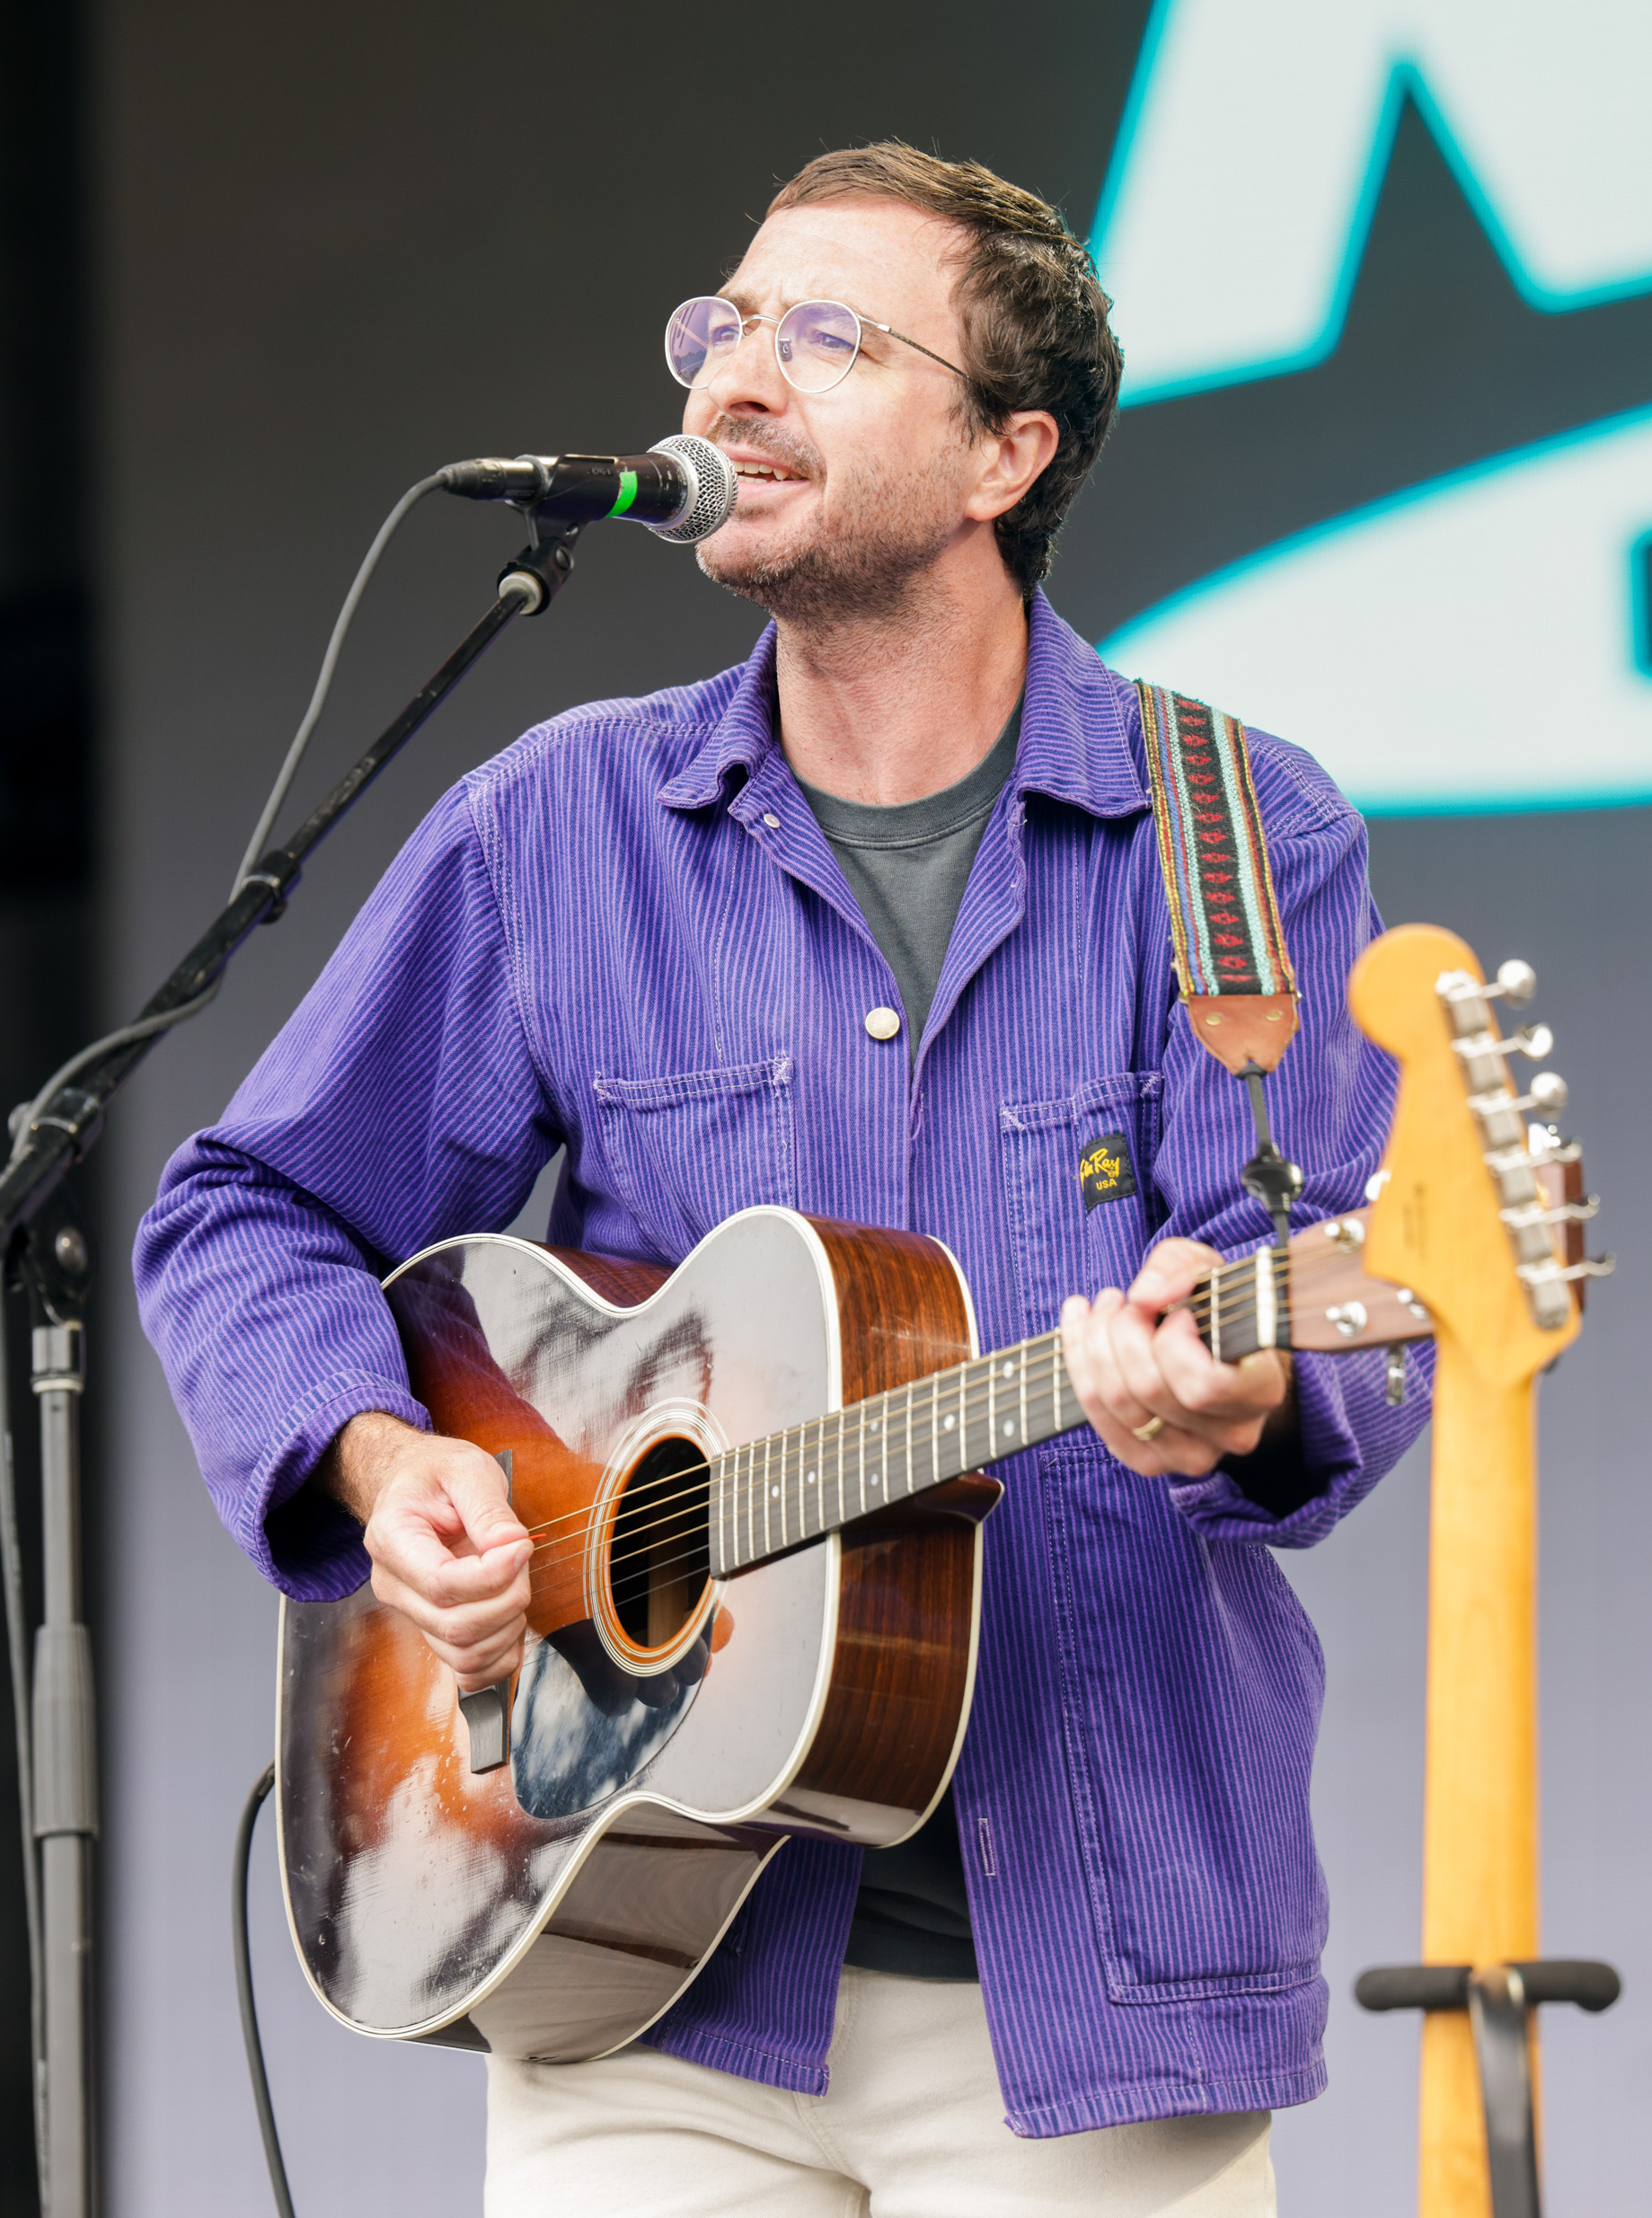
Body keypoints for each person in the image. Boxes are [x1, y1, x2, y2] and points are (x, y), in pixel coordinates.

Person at [137, 141, 1426, 2216]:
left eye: (823, 334)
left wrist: (1241, 1386)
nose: (734, 377)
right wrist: (385, 1463)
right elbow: (245, 1214)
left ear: (1007, 453)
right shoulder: (558, 824)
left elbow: (1317, 1277)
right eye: (719, 325)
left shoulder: (1235, 830)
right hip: (642, 1979)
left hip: (1088, 2000)